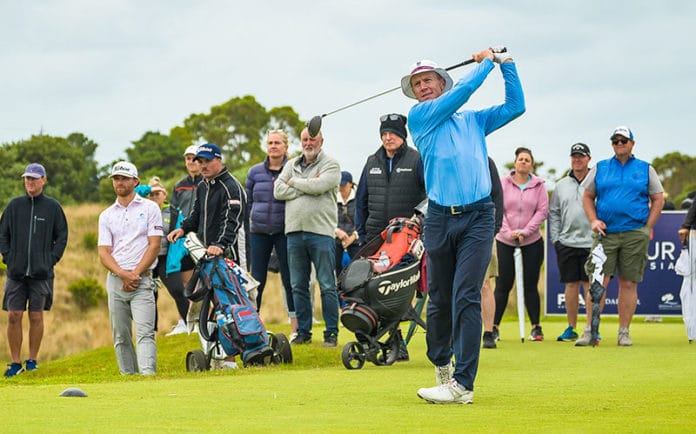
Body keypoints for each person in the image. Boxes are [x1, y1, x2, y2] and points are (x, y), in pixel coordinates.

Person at [402, 48, 525, 404]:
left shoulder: (473, 121)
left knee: (466, 295)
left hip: (478, 216)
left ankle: (463, 383)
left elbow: (515, 107)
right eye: (417, 83)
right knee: (438, 299)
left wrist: (508, 66)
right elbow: (462, 94)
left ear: (441, 81)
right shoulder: (420, 117)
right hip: (439, 217)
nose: (423, 86)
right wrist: (485, 63)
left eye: (428, 80)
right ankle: (441, 364)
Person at [582, 126, 664, 346]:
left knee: (628, 283)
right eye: (616, 141)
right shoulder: (600, 167)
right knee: (598, 281)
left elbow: (658, 198)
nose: (619, 144)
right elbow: (588, 196)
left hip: (634, 233)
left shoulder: (645, 169)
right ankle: (590, 330)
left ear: (632, 144)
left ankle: (623, 332)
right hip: (605, 233)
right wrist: (593, 220)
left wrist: (647, 227)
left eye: (623, 140)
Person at [273, 127, 341, 347]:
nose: (308, 143)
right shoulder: (291, 164)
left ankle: (331, 333)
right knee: (298, 285)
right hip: (294, 233)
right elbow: (277, 190)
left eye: (312, 139)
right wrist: (308, 185)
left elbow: (321, 185)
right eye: (304, 139)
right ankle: (303, 332)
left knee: (327, 284)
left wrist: (294, 183)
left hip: (321, 233)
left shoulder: (331, 164)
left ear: (321, 140)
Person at [1, 163, 68, 378]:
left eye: (34, 178)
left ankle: (32, 360)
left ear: (43, 180)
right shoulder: (14, 206)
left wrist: (50, 260)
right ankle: (15, 363)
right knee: (13, 315)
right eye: (27, 178)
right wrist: (9, 258)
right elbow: (3, 235)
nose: (30, 182)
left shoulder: (52, 207)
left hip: (41, 273)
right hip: (16, 273)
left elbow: (62, 237)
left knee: (36, 316)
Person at [98, 162, 162, 375]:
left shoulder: (150, 208)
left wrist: (134, 274)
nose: (120, 182)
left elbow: (154, 245)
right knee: (120, 336)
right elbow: (104, 252)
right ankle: (129, 378)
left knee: (145, 332)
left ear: (136, 181)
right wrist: (123, 274)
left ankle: (147, 376)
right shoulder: (106, 215)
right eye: (116, 178)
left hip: (142, 280)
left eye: (124, 178)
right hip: (116, 281)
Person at [245, 130, 297, 336]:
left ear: (285, 147)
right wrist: (251, 218)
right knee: (256, 279)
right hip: (258, 231)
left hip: (285, 231)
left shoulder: (293, 170)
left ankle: (295, 327)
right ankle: (252, 324)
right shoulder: (254, 172)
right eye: (270, 143)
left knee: (289, 279)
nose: (273, 146)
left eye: (277, 143)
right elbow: (248, 201)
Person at [494, 147, 548, 341]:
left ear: (531, 164)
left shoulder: (539, 185)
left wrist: (525, 232)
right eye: (520, 159)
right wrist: (509, 233)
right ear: (515, 163)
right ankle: (493, 327)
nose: (523, 162)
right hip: (505, 241)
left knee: (530, 285)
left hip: (531, 242)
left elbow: (542, 211)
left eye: (527, 159)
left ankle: (536, 327)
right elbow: (499, 209)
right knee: (503, 285)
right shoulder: (502, 183)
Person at [168, 143, 247, 264]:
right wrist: (183, 229)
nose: (203, 166)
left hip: (230, 251)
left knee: (235, 284)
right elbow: (196, 215)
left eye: (207, 161)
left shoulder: (231, 186)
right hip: (206, 250)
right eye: (200, 162)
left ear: (219, 160)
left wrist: (220, 244)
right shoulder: (202, 186)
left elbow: (232, 221)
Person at [354, 113, 425, 244]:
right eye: (384, 134)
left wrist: (421, 222)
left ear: (402, 135)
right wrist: (361, 234)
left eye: (392, 134)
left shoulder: (417, 159)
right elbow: (360, 201)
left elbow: (431, 197)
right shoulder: (371, 162)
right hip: (374, 237)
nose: (387, 138)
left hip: (407, 235)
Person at [548, 143, 594, 343]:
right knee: (571, 285)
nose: (577, 160)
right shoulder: (561, 185)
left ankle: (592, 328)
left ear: (588, 159)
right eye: (574, 156)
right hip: (566, 242)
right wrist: (556, 238)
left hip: (591, 242)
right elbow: (554, 213)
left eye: (581, 156)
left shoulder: (596, 182)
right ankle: (571, 327)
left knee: (590, 285)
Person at [146, 177, 190, 336]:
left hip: (166, 258)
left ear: (164, 194)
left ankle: (188, 324)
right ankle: (151, 331)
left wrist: (177, 256)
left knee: (178, 290)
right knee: (150, 295)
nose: (154, 197)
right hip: (148, 259)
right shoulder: (141, 210)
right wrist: (146, 190)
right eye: (151, 194)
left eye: (158, 193)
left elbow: (180, 234)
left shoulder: (172, 212)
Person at [169, 145, 203, 288]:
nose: (191, 162)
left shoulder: (208, 182)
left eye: (194, 158)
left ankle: (210, 311)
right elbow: (173, 211)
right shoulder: (179, 186)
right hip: (184, 239)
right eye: (188, 159)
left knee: (206, 281)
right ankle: (194, 310)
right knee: (188, 284)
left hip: (203, 238)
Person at [481, 157, 504, 349]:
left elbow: (497, 195)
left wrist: (494, 228)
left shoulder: (487, 162)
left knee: (484, 284)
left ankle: (488, 332)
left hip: (483, 230)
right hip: (452, 229)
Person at [335, 171, 360, 276]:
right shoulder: (333, 199)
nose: (341, 188)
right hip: (337, 240)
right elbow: (328, 219)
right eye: (339, 185)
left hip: (354, 240)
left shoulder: (359, 199)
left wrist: (353, 237)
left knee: (356, 270)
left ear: (350, 184)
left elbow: (363, 220)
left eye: (344, 185)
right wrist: (336, 231)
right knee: (338, 270)